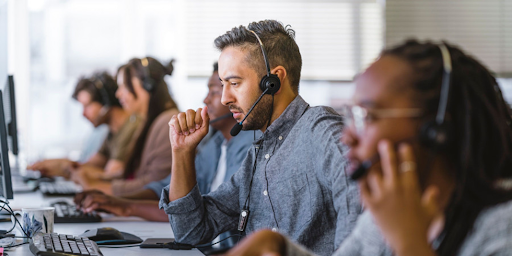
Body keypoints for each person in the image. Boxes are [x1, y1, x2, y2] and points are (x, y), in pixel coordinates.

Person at [223, 40, 512, 256]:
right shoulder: (384, 216)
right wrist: (276, 246)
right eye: (351, 115)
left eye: (368, 117)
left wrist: (409, 242)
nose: (347, 136)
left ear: (437, 129)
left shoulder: (501, 228)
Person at [162, 20, 361, 255]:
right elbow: (190, 232)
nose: (225, 98)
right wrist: (182, 152)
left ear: (273, 81)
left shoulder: (321, 131)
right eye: (223, 85)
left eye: (234, 83)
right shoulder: (258, 157)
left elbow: (361, 217)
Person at [74, 62, 256, 224]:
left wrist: (124, 206)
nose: (205, 100)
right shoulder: (214, 142)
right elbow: (167, 187)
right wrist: (117, 203)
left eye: (214, 92)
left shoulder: (249, 147)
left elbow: (212, 214)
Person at [71, 57, 179, 197]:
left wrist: (96, 186)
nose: (118, 94)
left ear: (147, 86)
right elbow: (132, 176)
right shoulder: (147, 122)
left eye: (124, 86)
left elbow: (155, 185)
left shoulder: (168, 123)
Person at [28, 71, 140, 180]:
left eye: (87, 106)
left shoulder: (131, 128)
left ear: (106, 101)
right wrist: (58, 165)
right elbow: (89, 166)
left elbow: (110, 175)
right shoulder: (111, 133)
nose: (83, 114)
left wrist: (66, 168)